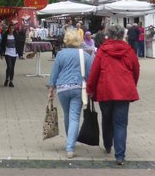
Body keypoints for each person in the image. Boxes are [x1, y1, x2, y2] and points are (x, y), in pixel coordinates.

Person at [87, 24, 139, 166]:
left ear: (108, 35)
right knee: (121, 123)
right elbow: (136, 69)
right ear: (122, 35)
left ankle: (108, 144)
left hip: (106, 89)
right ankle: (120, 155)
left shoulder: (103, 50)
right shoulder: (129, 51)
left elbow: (94, 71)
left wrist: (90, 88)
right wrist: (132, 84)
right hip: (124, 90)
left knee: (107, 118)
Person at [47, 28, 93, 159]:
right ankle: (70, 146)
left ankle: (70, 139)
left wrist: (51, 88)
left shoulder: (61, 54)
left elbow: (54, 73)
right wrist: (91, 89)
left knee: (67, 115)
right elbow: (90, 75)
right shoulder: (85, 55)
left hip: (62, 88)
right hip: (78, 88)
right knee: (74, 116)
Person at [0, 20, 25, 87]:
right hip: (7, 52)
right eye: (10, 28)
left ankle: (11, 81)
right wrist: (1, 53)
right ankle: (6, 79)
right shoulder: (5, 35)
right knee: (9, 66)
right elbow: (2, 44)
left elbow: (18, 45)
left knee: (12, 67)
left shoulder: (16, 35)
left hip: (14, 53)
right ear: (8, 29)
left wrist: (20, 54)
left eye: (13, 28)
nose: (11, 30)